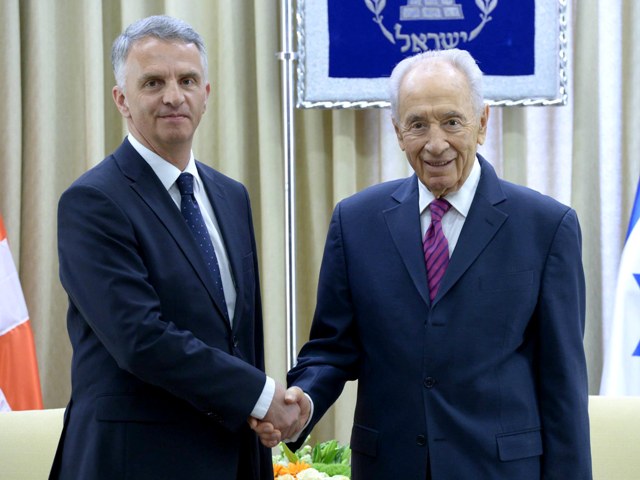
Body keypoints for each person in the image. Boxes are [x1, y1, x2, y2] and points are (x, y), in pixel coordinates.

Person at [260, 49, 592, 478]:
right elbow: (332, 347)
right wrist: (304, 400)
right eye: (418, 124)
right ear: (398, 132)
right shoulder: (355, 221)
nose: (436, 143)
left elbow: (562, 385)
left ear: (483, 123)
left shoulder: (546, 227)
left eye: (452, 121)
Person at [50, 15, 307, 480]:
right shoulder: (92, 201)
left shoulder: (231, 196)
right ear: (121, 99)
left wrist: (261, 414)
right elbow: (140, 339)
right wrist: (262, 395)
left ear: (206, 95)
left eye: (187, 80)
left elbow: (238, 338)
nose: (174, 96)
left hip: (232, 457)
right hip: (133, 461)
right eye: (153, 82)